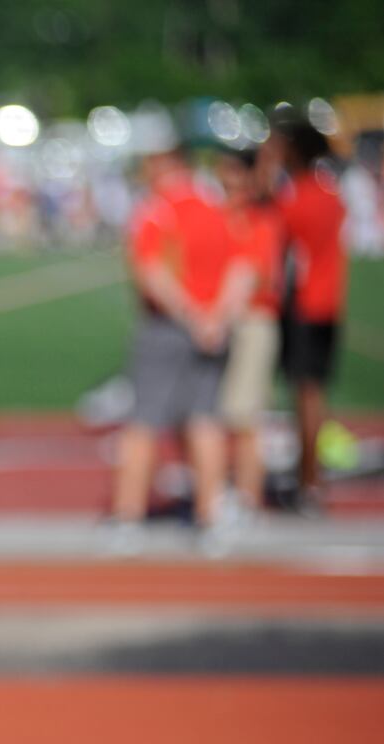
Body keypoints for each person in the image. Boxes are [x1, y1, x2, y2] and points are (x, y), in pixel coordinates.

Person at [109, 145, 254, 553]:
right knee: (204, 420)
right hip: (211, 327)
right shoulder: (218, 207)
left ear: (166, 164)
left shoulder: (159, 209)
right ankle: (210, 517)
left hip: (169, 326)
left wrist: (192, 316)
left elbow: (151, 270)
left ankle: (127, 517)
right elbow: (243, 268)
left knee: (144, 423)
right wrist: (218, 318)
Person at [263, 119, 348, 514]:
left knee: (306, 395)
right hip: (327, 302)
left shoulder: (298, 195)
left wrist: (269, 160)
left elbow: (266, 215)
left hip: (304, 304)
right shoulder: (330, 193)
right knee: (312, 393)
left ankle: (310, 481)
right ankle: (308, 476)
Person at [216, 149, 285, 518]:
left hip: (252, 320)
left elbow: (261, 273)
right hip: (222, 320)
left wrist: (224, 309)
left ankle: (246, 495)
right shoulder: (223, 214)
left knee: (245, 414)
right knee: (217, 411)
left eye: (232, 171)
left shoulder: (260, 218)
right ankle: (229, 486)